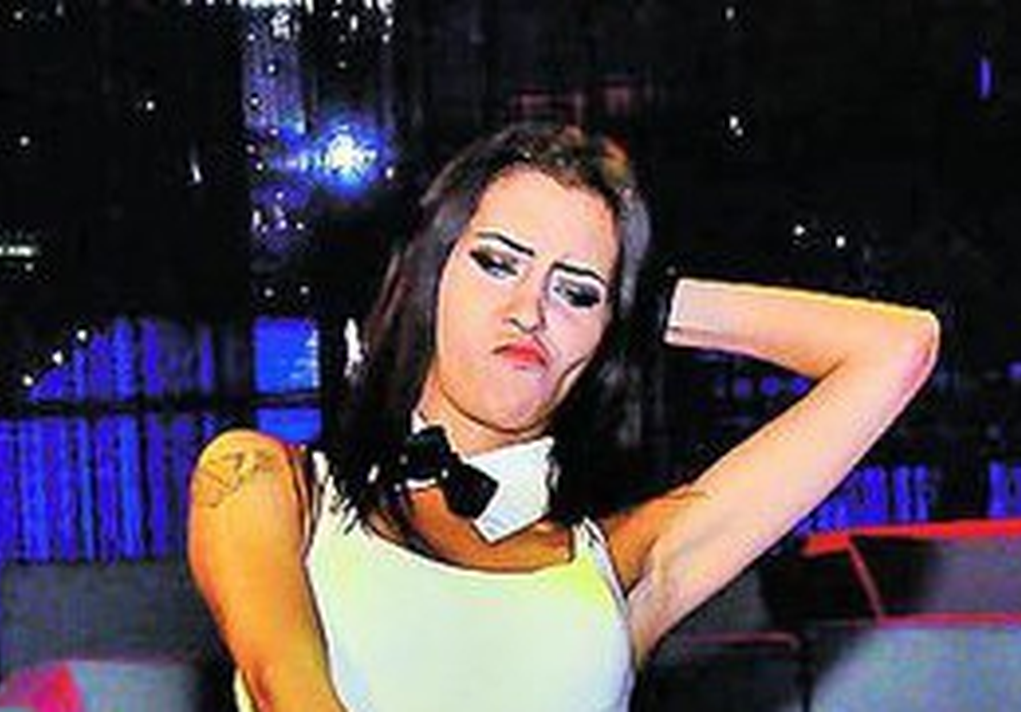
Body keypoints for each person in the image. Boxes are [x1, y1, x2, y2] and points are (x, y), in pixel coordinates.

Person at [187, 122, 939, 712]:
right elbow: (288, 687)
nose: (530, 311)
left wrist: (640, 301)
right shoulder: (268, 481)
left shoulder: (623, 561)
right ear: (430, 274)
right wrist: (591, 286)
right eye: (497, 263)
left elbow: (897, 347)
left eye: (574, 291)